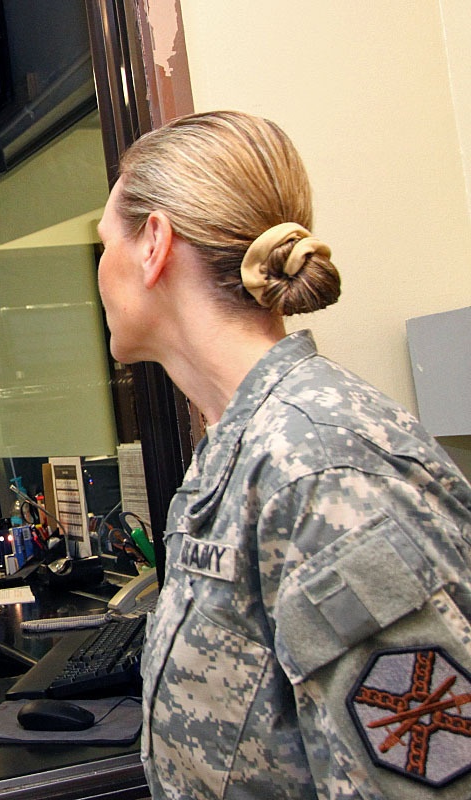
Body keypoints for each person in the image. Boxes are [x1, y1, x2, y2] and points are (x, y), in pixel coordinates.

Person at [97, 112, 471, 799]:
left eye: (104, 240)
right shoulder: (237, 453)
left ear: (153, 244)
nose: (100, 269)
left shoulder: (319, 466)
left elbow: (426, 772)